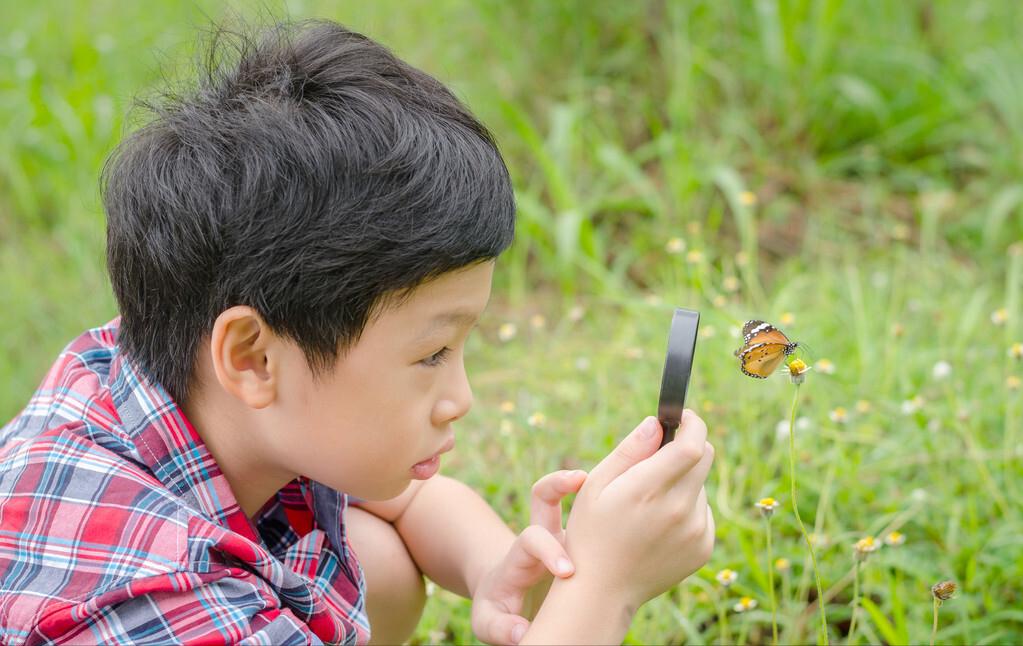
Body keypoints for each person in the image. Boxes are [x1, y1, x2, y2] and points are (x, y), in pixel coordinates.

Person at [0, 19, 715, 645]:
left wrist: (491, 566)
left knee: (377, 559)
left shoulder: (170, 362)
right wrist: (601, 591)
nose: (459, 397)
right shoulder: (149, 601)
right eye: (431, 353)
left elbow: (402, 496)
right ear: (250, 357)